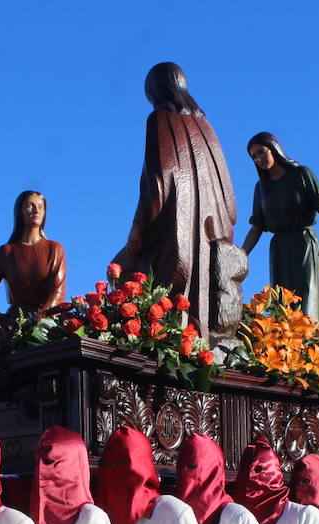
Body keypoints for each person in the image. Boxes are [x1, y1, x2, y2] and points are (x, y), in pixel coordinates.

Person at [114, 62, 237, 336]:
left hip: (174, 229)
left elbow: (158, 180)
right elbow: (227, 193)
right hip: (207, 234)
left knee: (126, 275)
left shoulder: (158, 119)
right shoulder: (205, 125)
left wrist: (139, 225)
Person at [240, 132, 319, 325]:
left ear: (274, 149)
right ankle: (286, 346)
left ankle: (312, 339)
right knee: (282, 303)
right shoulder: (261, 188)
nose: (258, 159)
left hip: (304, 244)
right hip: (280, 249)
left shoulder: (302, 174)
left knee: (307, 297)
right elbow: (257, 226)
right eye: (254, 157)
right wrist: (241, 255)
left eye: (261, 152)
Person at [0, 190, 68, 335]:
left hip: (46, 328)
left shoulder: (54, 249)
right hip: (15, 325)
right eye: (30, 206)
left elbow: (58, 291)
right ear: (20, 212)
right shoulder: (6, 252)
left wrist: (40, 318)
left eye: (41, 207)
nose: (36, 210)